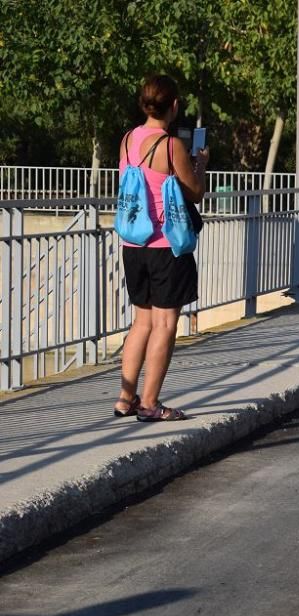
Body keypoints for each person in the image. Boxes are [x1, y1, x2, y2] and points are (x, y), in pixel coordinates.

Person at [114, 74, 207, 422]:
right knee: (166, 323)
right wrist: (201, 165)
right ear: (174, 106)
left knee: (141, 322)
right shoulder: (171, 146)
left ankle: (126, 398)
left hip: (133, 243)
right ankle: (151, 404)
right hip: (166, 245)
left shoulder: (126, 140)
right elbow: (194, 192)